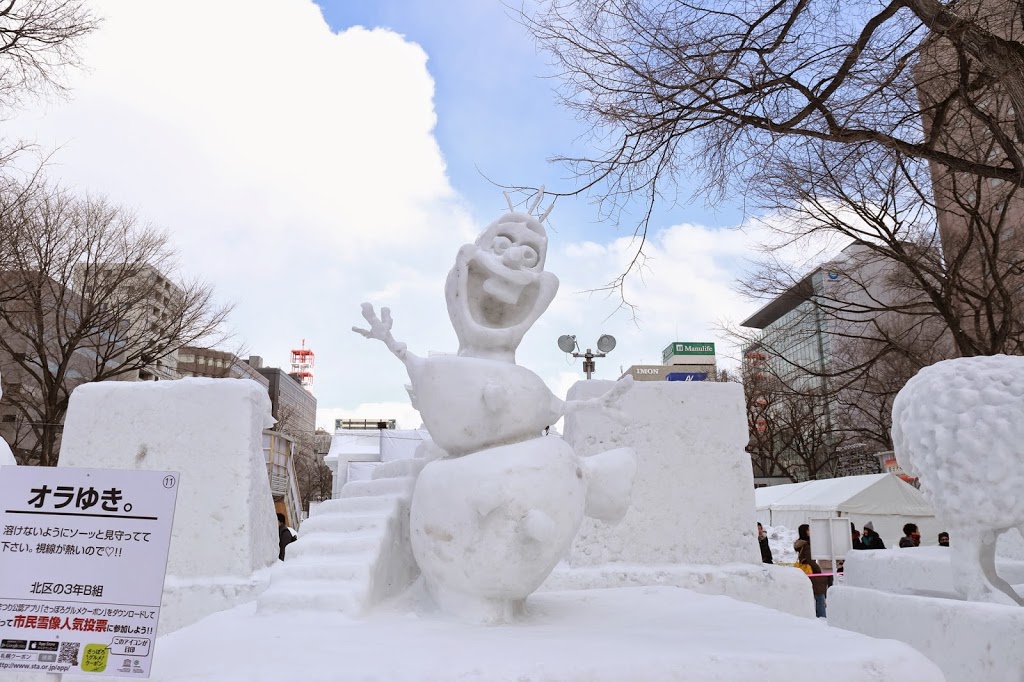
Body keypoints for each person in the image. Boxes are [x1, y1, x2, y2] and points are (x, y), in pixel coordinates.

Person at [794, 524, 831, 618]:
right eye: (809, 530)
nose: (811, 532)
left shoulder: (802, 544)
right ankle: (821, 616)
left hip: (807, 571)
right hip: (812, 572)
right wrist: (818, 571)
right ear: (805, 532)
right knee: (820, 594)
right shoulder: (806, 545)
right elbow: (810, 560)